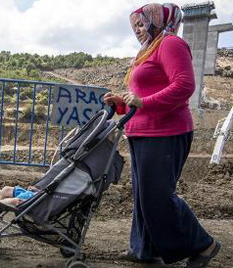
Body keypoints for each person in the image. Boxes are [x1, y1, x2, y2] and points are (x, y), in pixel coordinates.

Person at [104, 3, 221, 268]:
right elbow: (141, 96)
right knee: (144, 196)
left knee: (157, 196)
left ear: (158, 20)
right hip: (142, 132)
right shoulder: (148, 50)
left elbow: (184, 85)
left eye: (142, 23)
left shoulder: (170, 44)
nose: (138, 29)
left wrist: (143, 103)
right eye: (135, 25)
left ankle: (204, 245)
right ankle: (145, 250)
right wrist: (121, 102)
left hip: (166, 132)